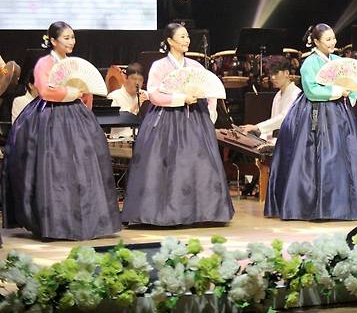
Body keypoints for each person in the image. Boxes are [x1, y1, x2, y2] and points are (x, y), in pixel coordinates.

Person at [3, 21, 121, 240]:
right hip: (50, 117)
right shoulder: (43, 64)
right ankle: (55, 222)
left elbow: (87, 91)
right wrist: (71, 92)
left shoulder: (75, 64)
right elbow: (45, 91)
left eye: (73, 37)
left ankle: (87, 219)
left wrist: (83, 105)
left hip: (77, 116)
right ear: (53, 41)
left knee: (85, 166)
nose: (71, 42)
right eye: (66, 38)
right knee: (54, 168)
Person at [121, 22, 234, 225]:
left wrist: (209, 111)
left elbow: (210, 90)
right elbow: (154, 94)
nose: (187, 40)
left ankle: (203, 211)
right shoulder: (160, 66)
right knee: (165, 164)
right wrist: (180, 98)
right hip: (167, 119)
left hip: (196, 120)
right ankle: (164, 212)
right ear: (170, 41)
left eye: (187, 36)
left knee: (200, 163)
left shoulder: (195, 66)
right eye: (182, 37)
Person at [264, 23, 357, 220]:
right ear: (316, 42)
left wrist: (348, 93)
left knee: (344, 156)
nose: (333, 42)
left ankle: (345, 204)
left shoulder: (338, 60)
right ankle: (315, 206)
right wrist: (336, 92)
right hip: (316, 113)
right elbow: (312, 91)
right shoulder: (309, 63)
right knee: (319, 157)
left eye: (333, 38)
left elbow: (352, 81)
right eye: (328, 39)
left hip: (340, 114)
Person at [240, 59, 301, 142]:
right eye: (271, 74)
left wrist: (257, 127)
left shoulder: (296, 94)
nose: (272, 77)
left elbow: (284, 119)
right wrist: (261, 139)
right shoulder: (277, 95)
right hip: (278, 141)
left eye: (276, 73)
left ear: (286, 73)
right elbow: (273, 125)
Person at [106, 62, 148, 138]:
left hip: (142, 139)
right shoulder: (114, 96)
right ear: (126, 78)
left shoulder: (146, 95)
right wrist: (135, 107)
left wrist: (147, 105)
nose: (137, 83)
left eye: (140, 80)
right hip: (120, 141)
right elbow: (115, 120)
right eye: (133, 79)